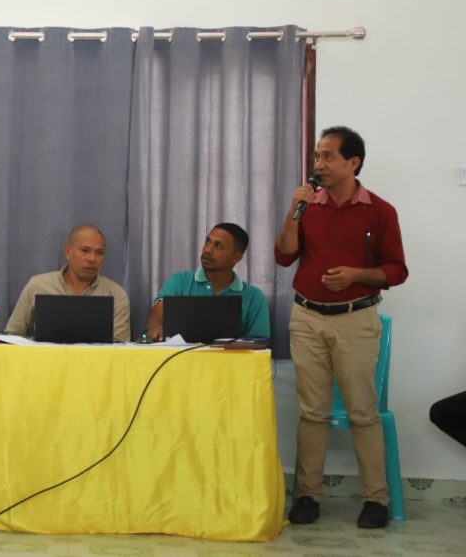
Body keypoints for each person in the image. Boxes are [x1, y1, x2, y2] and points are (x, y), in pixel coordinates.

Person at [275, 126, 408, 530]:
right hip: (307, 319)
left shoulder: (379, 211)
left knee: (363, 412)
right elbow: (284, 256)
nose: (319, 164)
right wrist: (293, 211)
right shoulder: (307, 207)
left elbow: (396, 271)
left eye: (328, 156)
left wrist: (356, 274)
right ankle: (307, 497)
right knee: (312, 412)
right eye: (317, 156)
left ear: (353, 163)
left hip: (355, 318)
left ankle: (376, 500)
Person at [144, 222, 270, 342]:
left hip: (230, 358)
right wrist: (155, 326)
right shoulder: (179, 281)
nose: (208, 250)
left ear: (236, 257)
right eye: (207, 242)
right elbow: (157, 315)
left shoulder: (254, 297)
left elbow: (258, 345)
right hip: (180, 357)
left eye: (218, 246)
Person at [5, 224, 130, 342]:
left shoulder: (116, 295)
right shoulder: (38, 286)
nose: (92, 259)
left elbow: (122, 347)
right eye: (85, 250)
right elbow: (13, 335)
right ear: (68, 251)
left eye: (99, 252)